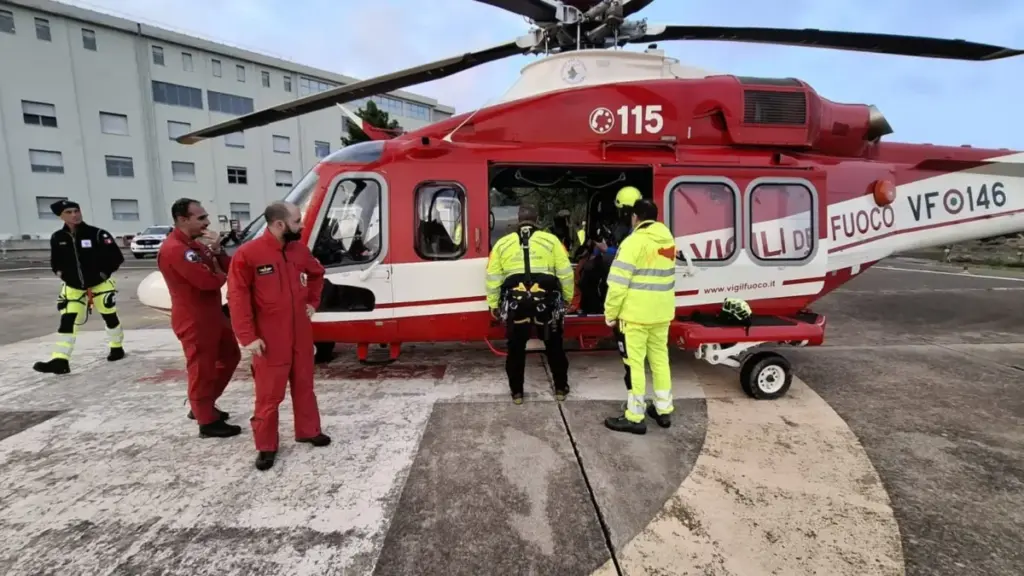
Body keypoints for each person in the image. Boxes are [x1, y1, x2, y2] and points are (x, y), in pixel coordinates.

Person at [228, 201, 331, 471]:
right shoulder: (249, 254)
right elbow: (237, 297)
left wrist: (313, 302)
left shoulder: (298, 250)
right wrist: (248, 336)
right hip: (269, 338)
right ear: (279, 224)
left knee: (304, 385)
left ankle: (308, 430)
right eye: (297, 221)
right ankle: (266, 446)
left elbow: (317, 274)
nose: (302, 225)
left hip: (300, 333)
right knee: (268, 396)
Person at [158, 198, 242, 438]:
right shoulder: (176, 250)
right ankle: (206, 420)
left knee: (230, 355)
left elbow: (229, 267)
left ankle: (202, 405)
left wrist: (217, 252)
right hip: (195, 318)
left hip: (212, 313)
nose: (207, 222)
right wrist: (217, 273)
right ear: (183, 220)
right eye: (201, 217)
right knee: (201, 369)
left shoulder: (198, 245)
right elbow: (208, 281)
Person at [485, 204, 574, 404]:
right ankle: (560, 388)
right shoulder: (552, 241)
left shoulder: (502, 244)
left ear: (518, 219)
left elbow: (493, 276)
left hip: (516, 304)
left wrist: (493, 304)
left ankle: (517, 392)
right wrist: (567, 299)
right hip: (547, 303)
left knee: (516, 348)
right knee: (554, 346)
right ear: (537, 219)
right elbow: (566, 273)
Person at [602, 199, 677, 435]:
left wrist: (610, 314)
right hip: (662, 313)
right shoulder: (667, 239)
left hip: (635, 316)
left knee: (634, 365)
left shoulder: (633, 243)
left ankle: (635, 416)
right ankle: (663, 410)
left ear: (635, 217)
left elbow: (617, 284)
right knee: (660, 361)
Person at [33, 199, 126, 375]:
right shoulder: (57, 237)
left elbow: (116, 257)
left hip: (100, 284)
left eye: (76, 210)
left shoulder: (97, 234)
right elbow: (56, 261)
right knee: (67, 321)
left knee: (109, 315)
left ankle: (116, 347)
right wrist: (61, 273)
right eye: (69, 212)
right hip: (73, 287)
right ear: (60, 216)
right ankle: (60, 360)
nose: (74, 215)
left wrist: (103, 274)